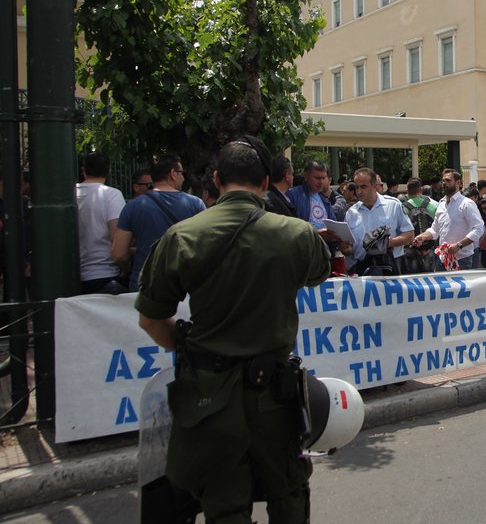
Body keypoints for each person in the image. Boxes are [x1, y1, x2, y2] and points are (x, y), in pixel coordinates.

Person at [136, 137, 330, 523]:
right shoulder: (297, 234)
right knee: (288, 496)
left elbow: (151, 319)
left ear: (217, 179)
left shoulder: (182, 236)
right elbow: (319, 273)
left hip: (208, 399)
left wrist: (188, 345)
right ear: (264, 184)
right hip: (277, 398)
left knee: (223, 505)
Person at [113, 154, 205, 291]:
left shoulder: (133, 207)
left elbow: (118, 254)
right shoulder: (196, 204)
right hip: (183, 283)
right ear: (173, 174)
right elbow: (205, 246)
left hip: (145, 283)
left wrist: (128, 266)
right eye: (181, 173)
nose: (183, 177)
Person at [344, 168, 414, 275]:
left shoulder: (393, 205)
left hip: (390, 267)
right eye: (356, 187)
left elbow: (409, 235)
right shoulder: (351, 213)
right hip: (362, 269)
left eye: (363, 186)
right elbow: (350, 249)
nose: (359, 191)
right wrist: (344, 247)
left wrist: (388, 243)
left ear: (374, 185)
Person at [411, 168, 483, 271]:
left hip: (462, 259)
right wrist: (422, 237)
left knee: (460, 287)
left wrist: (458, 245)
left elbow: (478, 229)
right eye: (443, 180)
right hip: (442, 258)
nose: (444, 183)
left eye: (448, 180)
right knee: (440, 287)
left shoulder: (467, 204)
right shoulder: (441, 203)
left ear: (458, 183)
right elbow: (435, 230)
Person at [76, 152, 127, 294]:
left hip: (71, 273)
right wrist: (125, 266)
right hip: (104, 274)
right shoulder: (112, 195)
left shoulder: (69, 193)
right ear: (109, 170)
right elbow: (116, 237)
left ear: (83, 170)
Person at [287, 160, 346, 273]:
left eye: (323, 178)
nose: (321, 182)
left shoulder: (324, 199)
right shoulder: (293, 195)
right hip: (303, 258)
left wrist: (339, 238)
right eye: (317, 178)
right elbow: (290, 227)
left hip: (323, 257)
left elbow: (333, 223)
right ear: (306, 176)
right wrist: (317, 233)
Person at [402, 178, 438, 274]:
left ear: (407, 191)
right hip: (429, 247)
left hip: (410, 248)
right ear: (421, 190)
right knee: (429, 280)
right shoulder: (433, 205)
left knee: (412, 281)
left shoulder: (402, 207)